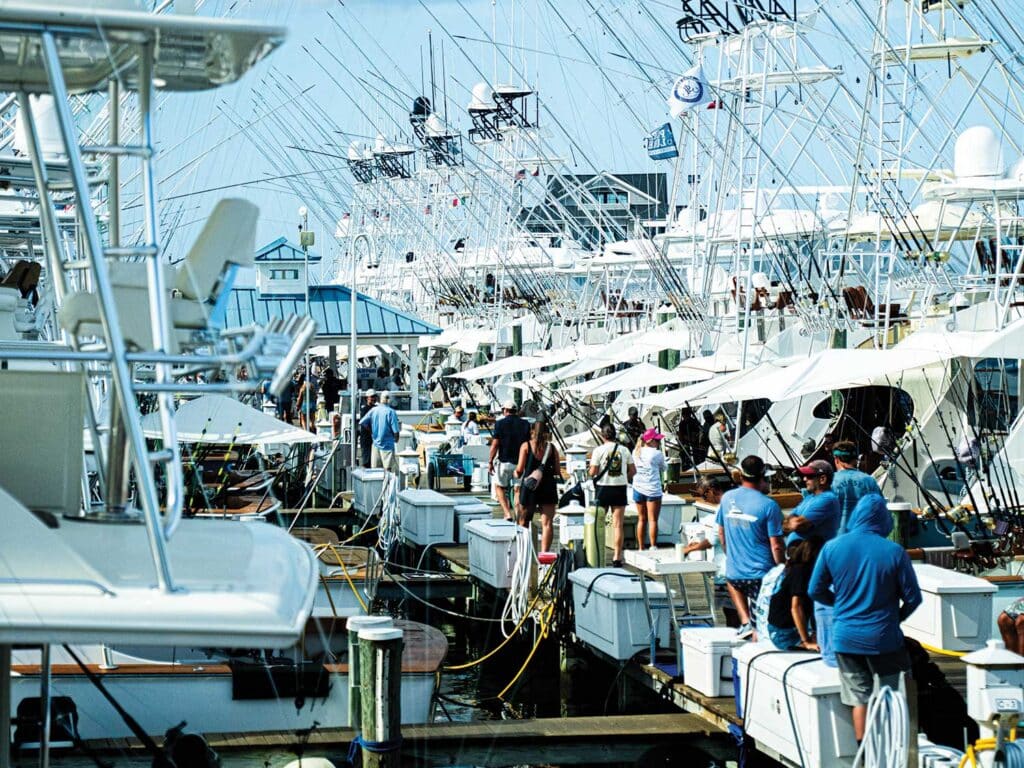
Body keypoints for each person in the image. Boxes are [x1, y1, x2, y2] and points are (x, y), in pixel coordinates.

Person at [808, 494, 922, 742]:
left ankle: (865, 753)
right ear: (883, 519)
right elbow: (914, 598)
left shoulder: (832, 547)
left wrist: (838, 605)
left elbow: (814, 590)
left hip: (845, 638)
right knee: (896, 694)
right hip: (885, 638)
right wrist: (896, 619)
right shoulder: (894, 551)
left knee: (860, 699)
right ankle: (896, 750)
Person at [715, 455, 785, 639]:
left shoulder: (727, 498)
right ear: (763, 477)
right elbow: (776, 545)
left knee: (732, 583)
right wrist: (782, 568)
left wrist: (732, 557)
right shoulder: (770, 505)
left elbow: (721, 534)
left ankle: (745, 622)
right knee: (761, 628)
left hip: (734, 574)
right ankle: (753, 630)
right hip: (760, 575)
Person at [786, 459, 842, 663]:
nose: (805, 479)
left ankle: (808, 639)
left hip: (811, 555)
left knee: (801, 599)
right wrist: (792, 522)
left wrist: (794, 523)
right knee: (800, 598)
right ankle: (808, 636)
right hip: (800, 554)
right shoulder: (808, 498)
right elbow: (788, 521)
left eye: (809, 476)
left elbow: (798, 523)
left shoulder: (826, 499)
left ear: (823, 478)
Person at [755, 537, 824, 651]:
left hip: (785, 629)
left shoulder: (797, 569)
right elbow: (796, 607)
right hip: (784, 632)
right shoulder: (801, 572)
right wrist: (806, 641)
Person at [590, 423, 635, 567]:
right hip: (619, 488)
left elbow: (593, 472)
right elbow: (633, 471)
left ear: (603, 436)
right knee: (618, 525)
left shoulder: (598, 450)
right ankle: (617, 557)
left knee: (599, 523)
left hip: (603, 487)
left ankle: (598, 553)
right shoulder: (625, 450)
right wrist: (623, 477)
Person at [515, 420, 561, 553]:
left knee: (524, 521)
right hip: (547, 487)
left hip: (529, 488)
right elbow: (557, 471)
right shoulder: (552, 448)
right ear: (546, 433)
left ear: (532, 431)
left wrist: (515, 473)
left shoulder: (526, 446)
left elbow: (519, 470)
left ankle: (524, 552)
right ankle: (544, 554)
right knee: (547, 524)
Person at [489, 401, 531, 522]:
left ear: (505, 410)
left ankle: (507, 513)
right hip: (520, 463)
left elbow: (495, 444)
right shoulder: (525, 424)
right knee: (518, 490)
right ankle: (518, 514)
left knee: (500, 487)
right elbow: (528, 444)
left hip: (504, 462)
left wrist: (490, 461)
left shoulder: (500, 423)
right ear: (516, 411)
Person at [829, 440, 883, 534]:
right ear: (855, 460)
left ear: (836, 459)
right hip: (864, 540)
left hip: (837, 542)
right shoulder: (869, 481)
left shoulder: (829, 482)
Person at [633, 428, 668, 552]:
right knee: (653, 519)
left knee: (641, 519)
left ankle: (641, 547)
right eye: (657, 440)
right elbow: (664, 468)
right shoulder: (657, 453)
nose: (658, 443)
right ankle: (653, 546)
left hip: (638, 488)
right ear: (651, 441)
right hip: (653, 490)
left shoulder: (636, 451)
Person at [359, 391, 402, 472]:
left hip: (375, 444)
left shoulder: (374, 410)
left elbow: (362, 422)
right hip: (387, 445)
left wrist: (371, 431)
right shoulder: (391, 412)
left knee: (375, 471)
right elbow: (396, 431)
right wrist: (396, 440)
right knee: (388, 471)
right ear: (388, 399)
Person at [357, 390, 378, 468]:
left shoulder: (377, 408)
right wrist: (372, 431)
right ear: (367, 398)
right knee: (366, 459)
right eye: (371, 397)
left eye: (374, 397)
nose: (373, 399)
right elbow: (363, 423)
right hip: (366, 437)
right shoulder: (364, 409)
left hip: (375, 438)